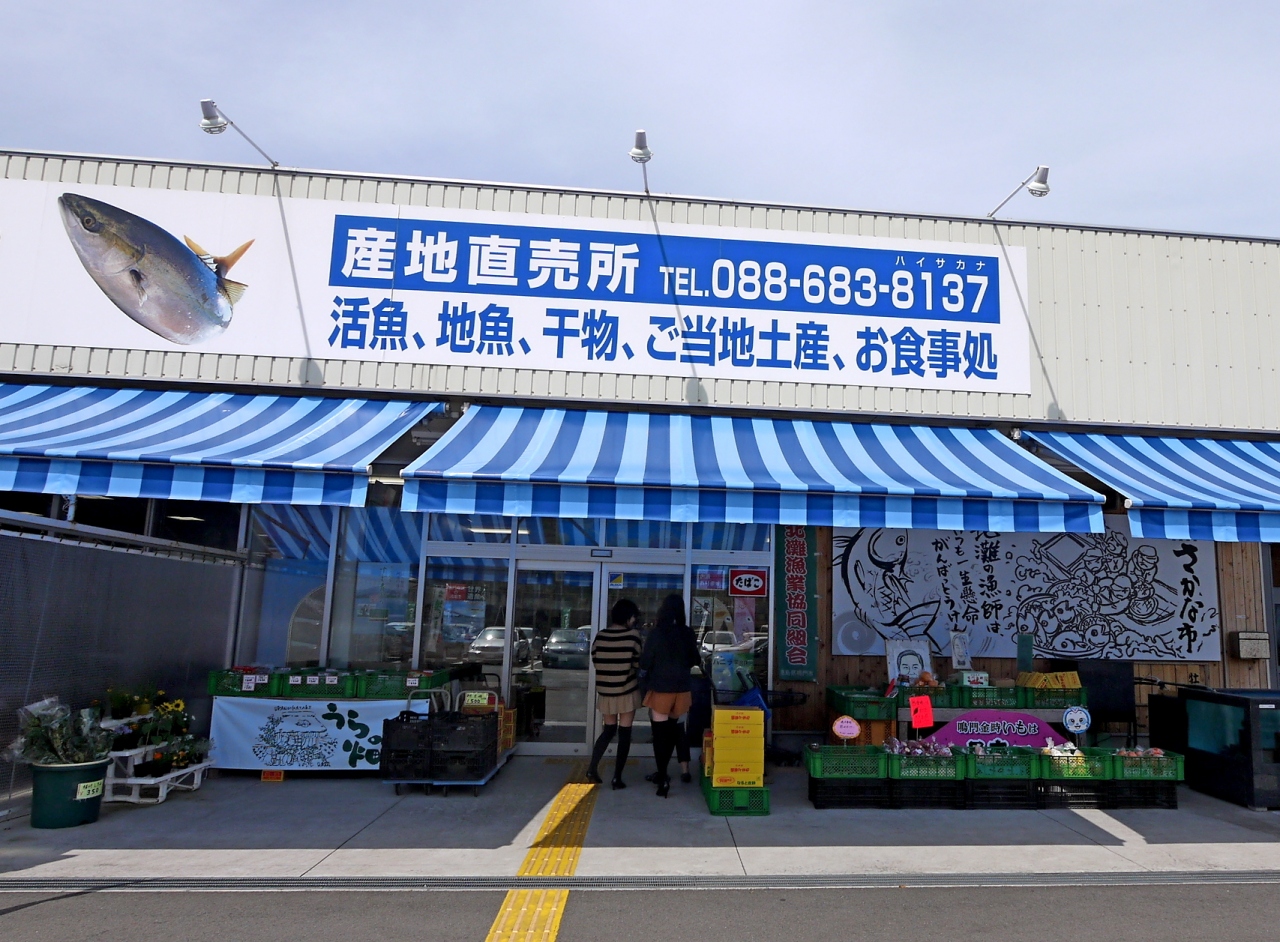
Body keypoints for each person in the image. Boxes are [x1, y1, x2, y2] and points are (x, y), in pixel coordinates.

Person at [639, 593, 700, 797]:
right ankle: (668, 773)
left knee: (660, 735)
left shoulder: (656, 634)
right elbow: (695, 659)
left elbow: (645, 661)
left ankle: (663, 777)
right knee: (674, 730)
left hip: (661, 688)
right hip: (682, 689)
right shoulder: (687, 633)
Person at [585, 598, 643, 788]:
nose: (634, 620)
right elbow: (638, 663)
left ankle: (592, 768)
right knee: (624, 733)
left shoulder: (601, 636)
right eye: (633, 617)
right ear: (628, 617)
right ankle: (617, 777)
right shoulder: (633, 636)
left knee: (609, 730)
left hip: (606, 692)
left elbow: (595, 659)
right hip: (627, 691)